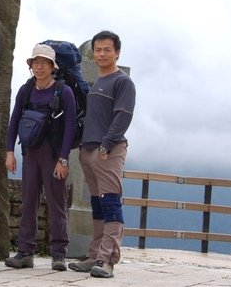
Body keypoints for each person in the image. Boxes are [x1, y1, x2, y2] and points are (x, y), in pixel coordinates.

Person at [68, 30, 136, 278]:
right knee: (97, 205)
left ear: (117, 52)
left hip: (108, 150)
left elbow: (123, 116)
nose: (102, 54)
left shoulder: (122, 82)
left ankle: (107, 259)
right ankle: (94, 254)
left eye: (107, 49)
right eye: (98, 49)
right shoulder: (97, 83)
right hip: (88, 149)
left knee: (110, 204)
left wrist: (107, 145)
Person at [4, 43, 76, 271]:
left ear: (52, 66)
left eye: (44, 63)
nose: (39, 67)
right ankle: (25, 252)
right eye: (36, 63)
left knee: (57, 205)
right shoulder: (26, 90)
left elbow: (70, 127)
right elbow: (14, 120)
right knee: (28, 203)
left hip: (54, 155)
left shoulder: (63, 92)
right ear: (31, 66)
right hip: (30, 153)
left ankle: (58, 255)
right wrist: (9, 152)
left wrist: (63, 159)